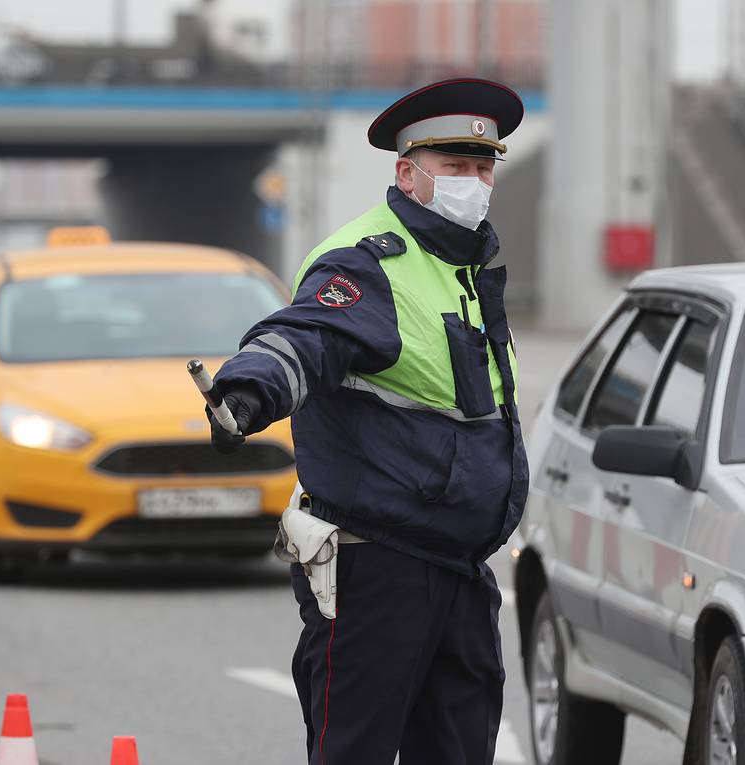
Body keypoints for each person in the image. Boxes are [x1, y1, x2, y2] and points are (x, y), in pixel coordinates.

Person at [205, 78, 528, 765]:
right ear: (408, 173)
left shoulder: (461, 267)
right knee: (354, 750)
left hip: (459, 568)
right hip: (376, 564)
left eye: (482, 166)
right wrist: (248, 389)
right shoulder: (366, 261)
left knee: (461, 750)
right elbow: (304, 337)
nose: (473, 181)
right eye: (454, 168)